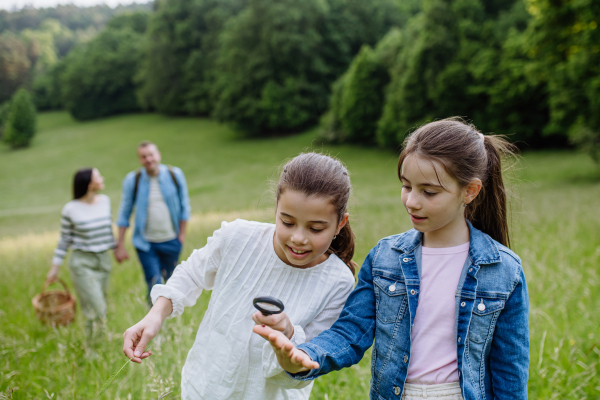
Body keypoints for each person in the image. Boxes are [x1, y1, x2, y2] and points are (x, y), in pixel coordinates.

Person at [255, 119, 530, 400]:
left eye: (429, 192)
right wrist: (304, 355)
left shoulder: (503, 270)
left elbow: (510, 370)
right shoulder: (385, 258)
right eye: (406, 186)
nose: (412, 201)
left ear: (470, 191)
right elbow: (351, 332)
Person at [122, 152, 357, 400]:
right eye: (287, 222)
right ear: (276, 208)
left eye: (315, 228)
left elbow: (303, 368)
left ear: (340, 224)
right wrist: (155, 315)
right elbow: (191, 273)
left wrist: (288, 338)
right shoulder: (237, 237)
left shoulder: (338, 282)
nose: (298, 238)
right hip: (205, 388)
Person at [115, 141, 191, 302]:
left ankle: (171, 319)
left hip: (172, 240)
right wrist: (120, 244)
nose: (148, 159)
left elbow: (185, 207)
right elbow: (124, 213)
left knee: (172, 283)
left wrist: (181, 236)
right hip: (146, 244)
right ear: (139, 160)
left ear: (158, 155)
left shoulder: (175, 175)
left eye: (151, 155)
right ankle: (154, 325)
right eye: (143, 157)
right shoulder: (132, 180)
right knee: (154, 283)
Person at [46, 168, 115, 340]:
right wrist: (55, 268)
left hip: (103, 260)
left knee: (95, 306)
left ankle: (96, 345)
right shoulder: (71, 209)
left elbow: (107, 230)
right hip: (82, 262)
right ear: (89, 184)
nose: (102, 178)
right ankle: (93, 348)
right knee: (98, 308)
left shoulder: (105, 201)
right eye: (98, 176)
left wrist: (117, 248)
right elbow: (64, 240)